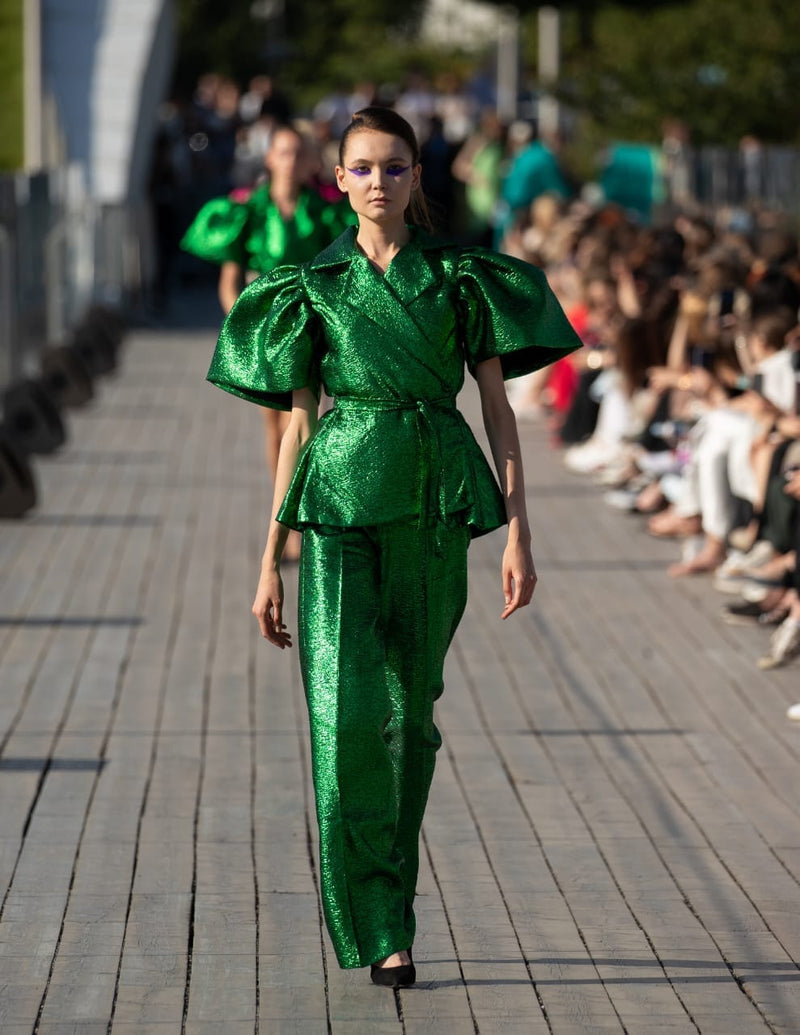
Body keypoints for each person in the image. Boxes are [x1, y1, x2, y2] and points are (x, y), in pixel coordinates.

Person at [206, 107, 581, 988]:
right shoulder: (308, 285)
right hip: (337, 505)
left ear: (418, 176)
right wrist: (268, 557)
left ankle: (396, 908)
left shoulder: (462, 277)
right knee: (341, 717)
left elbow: (498, 411)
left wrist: (520, 530)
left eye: (397, 166)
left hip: (433, 500)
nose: (381, 181)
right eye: (365, 167)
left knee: (409, 718)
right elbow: (298, 427)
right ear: (339, 180)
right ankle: (377, 923)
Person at [182, 123, 354, 556]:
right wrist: (246, 326)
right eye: (283, 152)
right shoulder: (250, 212)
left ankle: (300, 519)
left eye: (299, 153)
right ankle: (285, 519)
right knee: (277, 426)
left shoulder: (326, 213)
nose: (291, 161)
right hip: (268, 333)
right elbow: (229, 282)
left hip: (314, 330)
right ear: (269, 158)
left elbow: (343, 273)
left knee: (307, 423)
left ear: (311, 162)